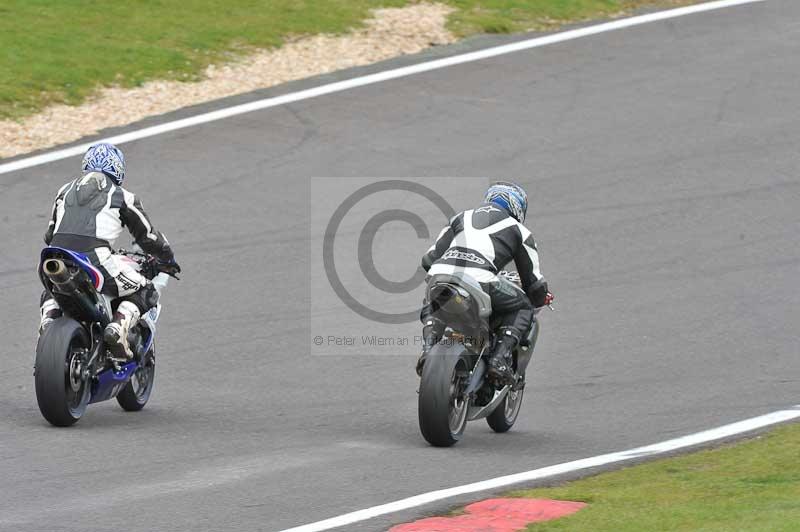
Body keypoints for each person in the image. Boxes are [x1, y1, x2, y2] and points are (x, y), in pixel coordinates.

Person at [39, 142, 180, 360]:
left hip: (53, 257)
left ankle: (48, 320)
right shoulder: (123, 197)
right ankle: (118, 327)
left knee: (52, 290)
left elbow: (50, 234)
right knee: (148, 289)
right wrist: (167, 259)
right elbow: (148, 237)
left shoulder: (63, 191)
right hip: (95, 260)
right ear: (118, 169)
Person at [417, 181, 552, 385]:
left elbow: (429, 260)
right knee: (524, 307)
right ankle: (499, 360)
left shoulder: (460, 217)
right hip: (480, 279)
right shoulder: (520, 231)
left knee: (435, 299)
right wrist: (541, 297)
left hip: (441, 274)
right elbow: (533, 285)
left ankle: (428, 348)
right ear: (518, 207)